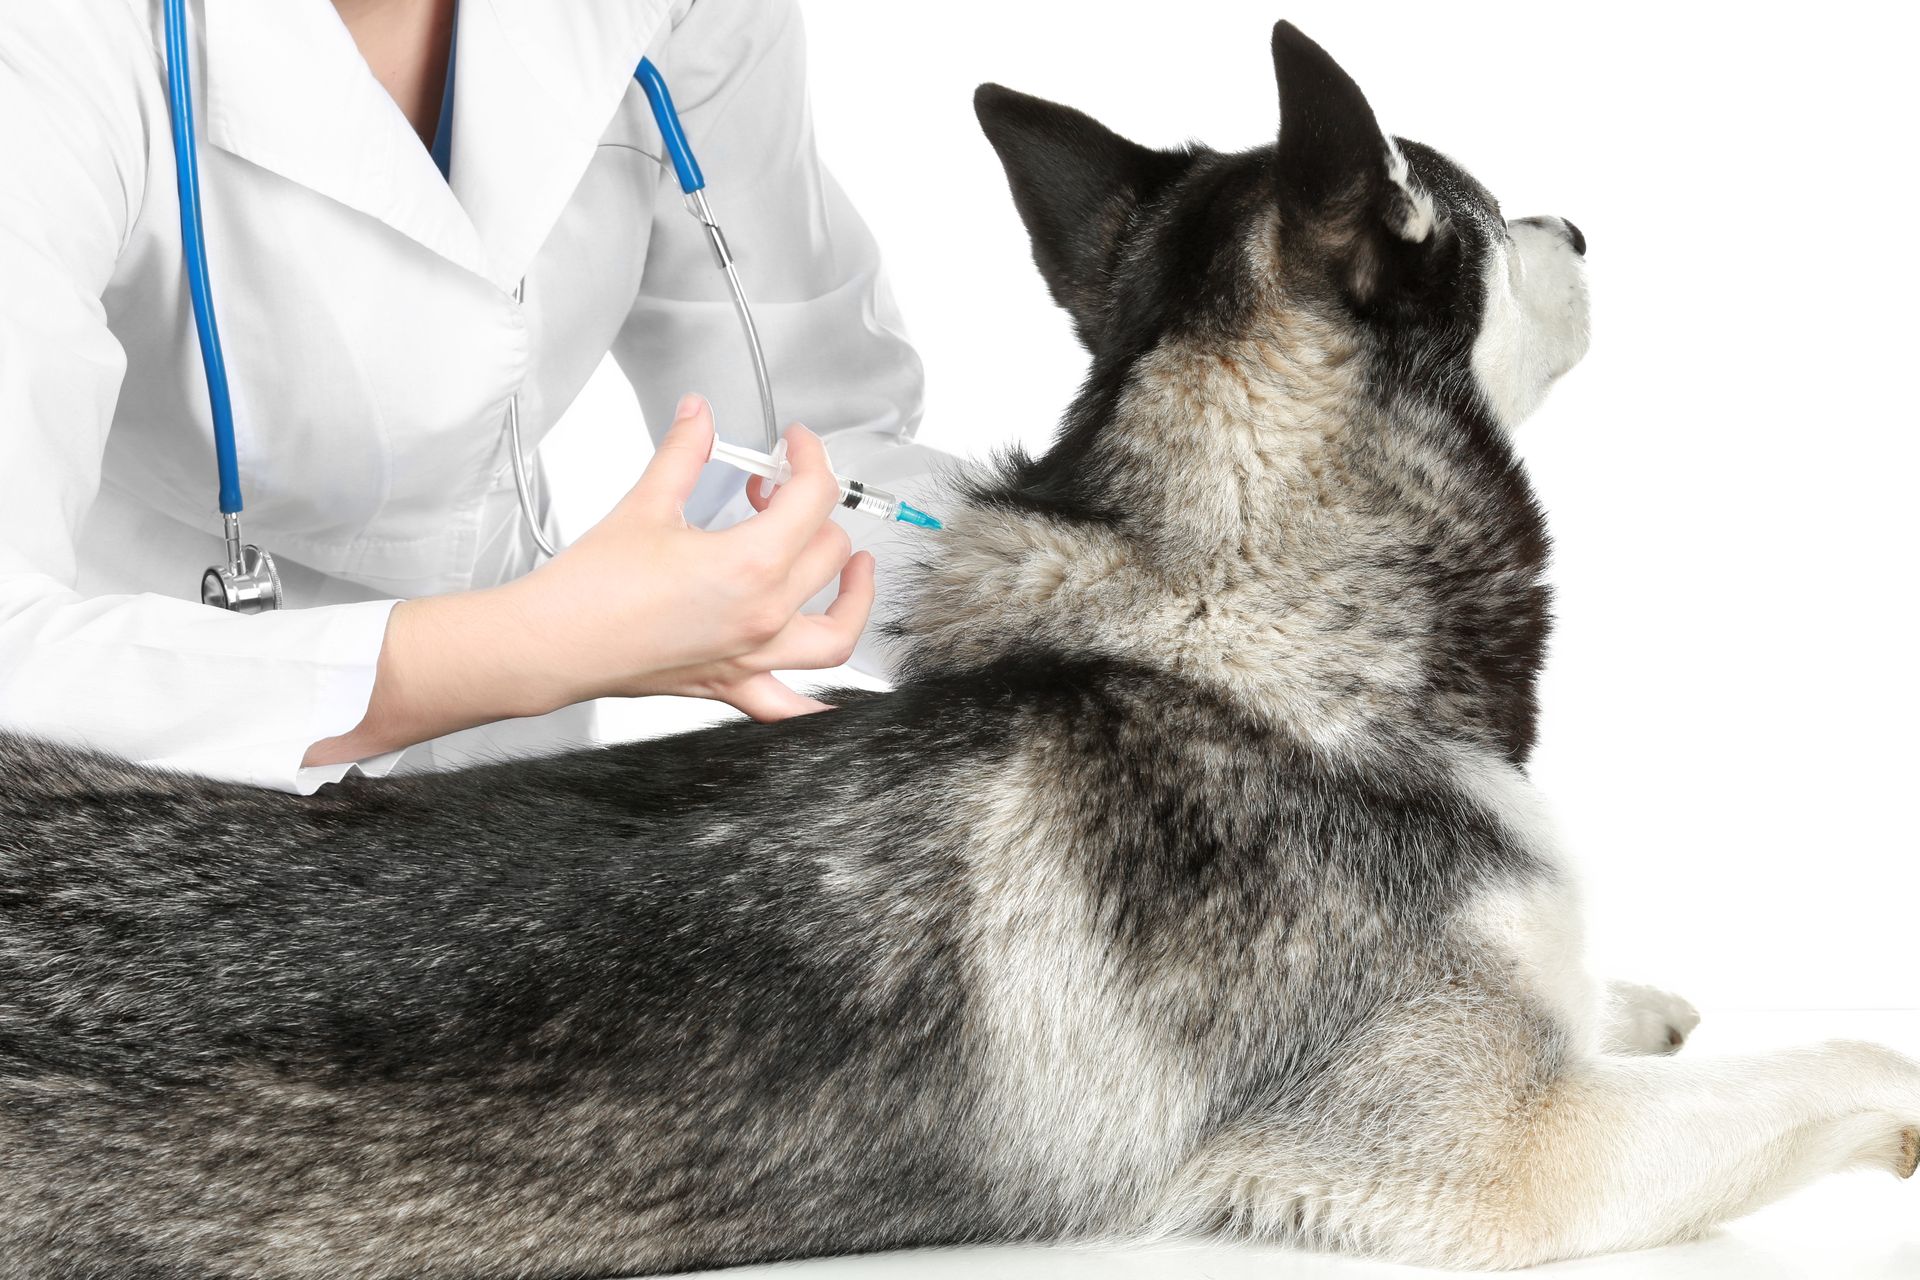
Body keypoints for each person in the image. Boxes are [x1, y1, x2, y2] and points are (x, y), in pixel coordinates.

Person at [0, 0, 948, 793]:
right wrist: (537, 646)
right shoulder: (51, 38)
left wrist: (1048, 580)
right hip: (129, 795)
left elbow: (805, 458)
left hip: (512, 809)